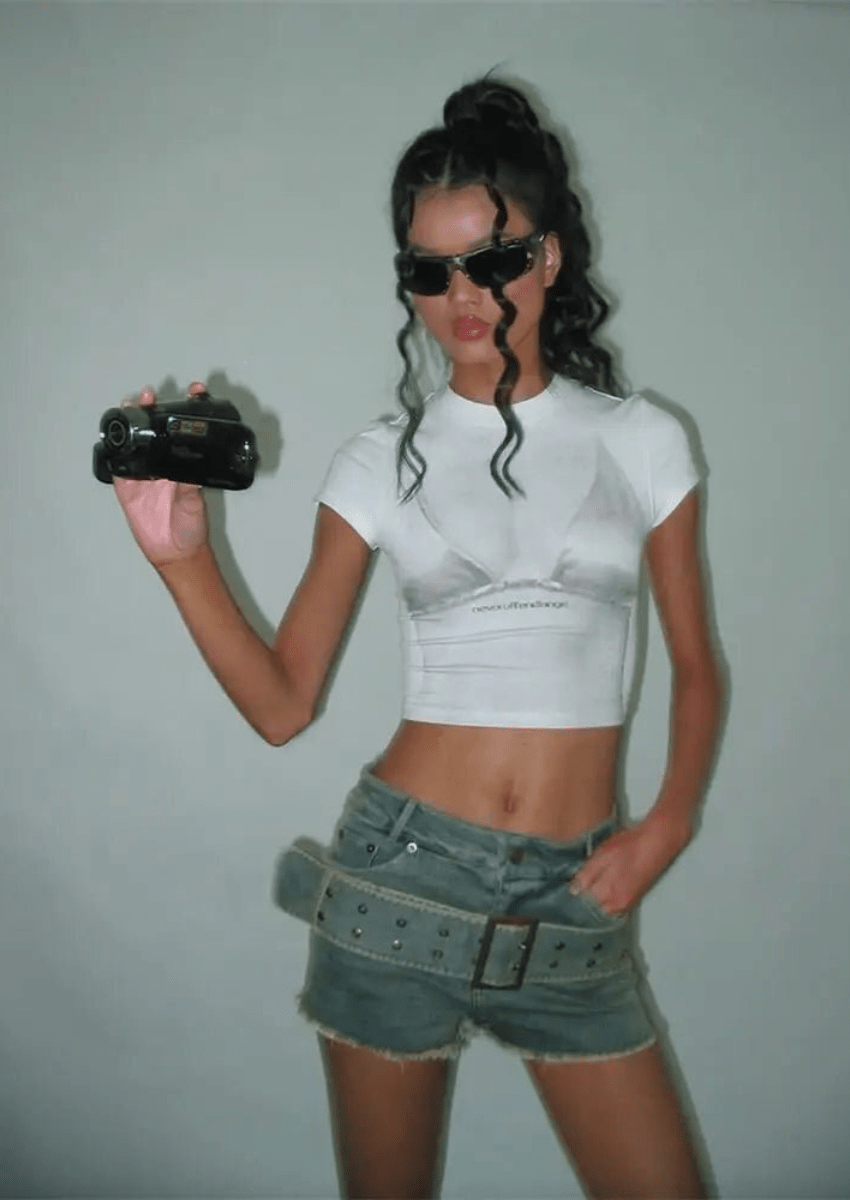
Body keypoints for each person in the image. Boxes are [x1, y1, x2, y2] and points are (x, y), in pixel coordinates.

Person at [114, 76, 722, 1200]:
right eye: (430, 271)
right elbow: (284, 705)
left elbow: (696, 666)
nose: (464, 297)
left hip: (574, 899)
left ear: (549, 256)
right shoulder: (376, 461)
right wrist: (182, 558)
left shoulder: (643, 441)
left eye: (494, 260)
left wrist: (668, 824)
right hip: (400, 883)